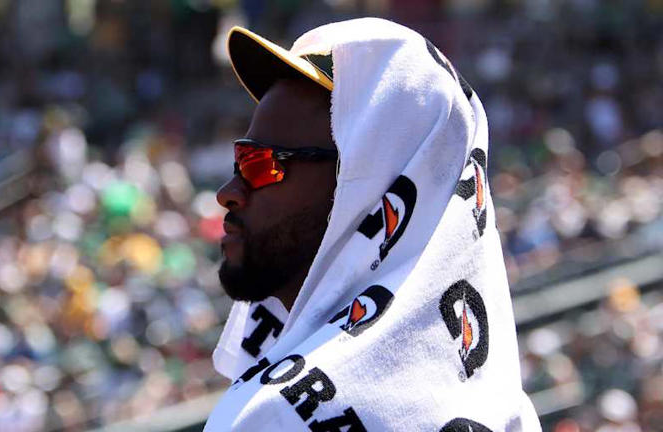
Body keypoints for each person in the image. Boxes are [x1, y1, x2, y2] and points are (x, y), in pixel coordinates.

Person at [207, 18, 542, 431]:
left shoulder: (276, 417)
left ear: (366, 189)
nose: (228, 192)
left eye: (262, 164)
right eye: (240, 160)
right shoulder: (506, 406)